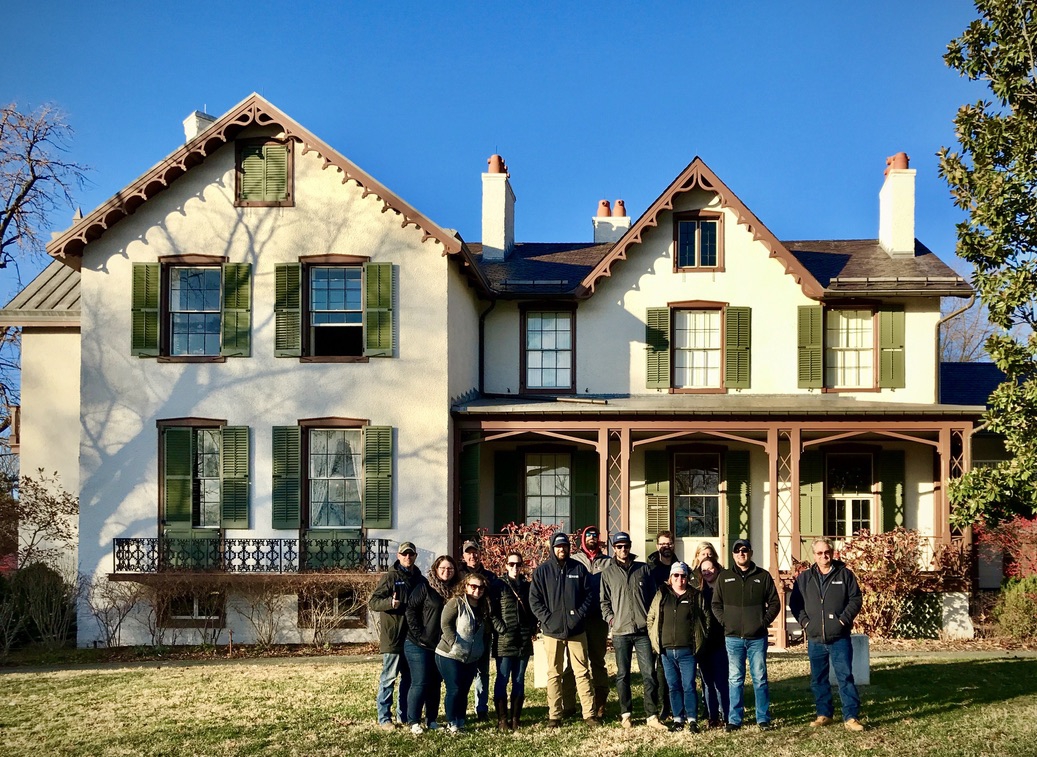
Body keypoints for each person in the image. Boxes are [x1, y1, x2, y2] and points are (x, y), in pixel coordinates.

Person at [789, 538, 865, 733]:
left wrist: (842, 620)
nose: (824, 556)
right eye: (820, 553)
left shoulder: (845, 575)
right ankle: (824, 714)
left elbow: (856, 599)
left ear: (832, 552)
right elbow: (795, 603)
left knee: (845, 677)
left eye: (827, 552)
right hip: (815, 639)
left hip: (839, 637)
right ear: (814, 555)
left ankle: (851, 716)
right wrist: (806, 623)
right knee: (818, 679)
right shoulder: (805, 578)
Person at [529, 531, 600, 727]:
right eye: (558, 546)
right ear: (552, 548)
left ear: (569, 548)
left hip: (577, 630)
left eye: (565, 546)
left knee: (582, 672)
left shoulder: (578, 568)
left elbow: (589, 596)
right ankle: (555, 715)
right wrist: (548, 619)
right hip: (552, 632)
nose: (562, 549)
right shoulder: (542, 571)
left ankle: (589, 714)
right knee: (554, 673)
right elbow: (534, 600)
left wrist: (578, 616)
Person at [711, 539, 781, 732]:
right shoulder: (724, 578)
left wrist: (762, 623)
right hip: (733, 638)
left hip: (757, 638)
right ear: (733, 555)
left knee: (760, 678)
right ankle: (734, 719)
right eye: (737, 551)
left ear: (750, 552)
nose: (741, 553)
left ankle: (763, 718)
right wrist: (726, 622)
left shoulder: (763, 576)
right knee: (735, 679)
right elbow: (716, 604)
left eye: (744, 550)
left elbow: (775, 603)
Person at [600, 531, 665, 730]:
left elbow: (654, 599)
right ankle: (626, 713)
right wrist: (612, 619)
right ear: (614, 549)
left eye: (626, 546)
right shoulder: (608, 573)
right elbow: (604, 602)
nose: (623, 549)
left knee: (648, 673)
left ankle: (651, 715)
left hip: (643, 631)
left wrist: (651, 622)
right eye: (619, 546)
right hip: (621, 632)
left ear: (630, 546)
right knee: (623, 675)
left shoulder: (642, 569)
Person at [647, 561, 712, 732]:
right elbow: (651, 618)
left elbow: (706, 619)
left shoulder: (695, 595)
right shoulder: (662, 594)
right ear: (670, 578)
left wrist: (701, 639)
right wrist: (656, 640)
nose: (679, 579)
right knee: (673, 686)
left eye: (683, 575)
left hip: (687, 651)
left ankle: (692, 719)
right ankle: (678, 719)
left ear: (687, 578)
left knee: (689, 685)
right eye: (676, 575)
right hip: (666, 652)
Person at [369, 541, 425, 730]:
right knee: (389, 678)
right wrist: (390, 603)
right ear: (398, 556)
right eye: (404, 554)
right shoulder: (390, 577)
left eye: (411, 554)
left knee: (409, 679)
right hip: (393, 636)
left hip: (412, 638)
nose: (407, 557)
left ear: (415, 556)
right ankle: (384, 718)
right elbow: (373, 602)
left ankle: (404, 715)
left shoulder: (419, 579)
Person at [404, 554, 458, 734]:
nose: (446, 571)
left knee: (435, 682)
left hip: (441, 645)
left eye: (450, 568)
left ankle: (432, 719)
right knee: (420, 681)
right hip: (417, 644)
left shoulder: (456, 590)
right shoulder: (425, 587)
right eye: (442, 568)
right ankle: (413, 720)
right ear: (436, 569)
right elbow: (410, 610)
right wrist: (419, 634)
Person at [435, 572, 491, 733]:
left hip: (471, 657)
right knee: (454, 688)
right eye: (473, 586)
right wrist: (453, 642)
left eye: (480, 587)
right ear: (465, 586)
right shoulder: (456, 603)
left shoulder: (484, 606)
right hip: (449, 654)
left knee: (464, 690)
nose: (477, 590)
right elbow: (445, 623)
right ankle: (451, 722)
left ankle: (460, 720)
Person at [489, 550, 536, 730]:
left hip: (523, 641)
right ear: (506, 565)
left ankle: (516, 718)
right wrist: (502, 629)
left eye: (518, 564)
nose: (515, 568)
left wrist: (531, 627)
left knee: (519, 679)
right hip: (504, 641)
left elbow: (533, 609)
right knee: (502, 679)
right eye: (511, 564)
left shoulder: (527, 586)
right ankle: (502, 719)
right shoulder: (498, 585)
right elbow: (491, 612)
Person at [570, 525, 611, 717]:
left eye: (595, 536)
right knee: (574, 662)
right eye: (589, 536)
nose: (592, 538)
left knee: (597, 659)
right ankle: (570, 703)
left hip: (598, 618)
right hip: (578, 619)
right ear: (583, 539)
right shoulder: (574, 561)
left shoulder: (608, 562)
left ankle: (600, 702)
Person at [458, 540, 495, 722]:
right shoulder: (458, 576)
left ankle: (482, 708)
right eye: (468, 553)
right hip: (463, 632)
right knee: (464, 673)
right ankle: (461, 709)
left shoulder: (489, 576)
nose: (472, 556)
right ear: (463, 556)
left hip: (483, 630)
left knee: (483, 672)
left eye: (475, 552)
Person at [646, 530, 680, 720]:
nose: (666, 546)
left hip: (675, 625)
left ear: (674, 545)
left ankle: (672, 705)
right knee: (654, 669)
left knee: (670, 669)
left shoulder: (679, 568)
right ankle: (658, 707)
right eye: (662, 543)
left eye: (669, 543)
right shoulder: (649, 569)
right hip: (655, 624)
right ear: (657, 545)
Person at [695, 557, 729, 729]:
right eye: (704, 570)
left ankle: (726, 715)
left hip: (722, 642)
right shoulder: (699, 594)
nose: (707, 572)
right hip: (705, 644)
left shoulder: (725, 592)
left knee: (722, 682)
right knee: (708, 682)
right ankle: (712, 716)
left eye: (710, 568)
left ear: (717, 568)